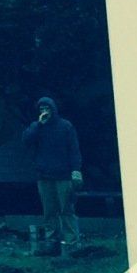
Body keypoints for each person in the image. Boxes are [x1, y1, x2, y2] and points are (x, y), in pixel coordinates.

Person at [22, 95, 82, 256]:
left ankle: (72, 243)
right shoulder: (37, 127)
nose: (44, 111)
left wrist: (76, 170)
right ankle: (52, 242)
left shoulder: (65, 126)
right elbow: (26, 140)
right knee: (49, 211)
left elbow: (74, 149)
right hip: (44, 176)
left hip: (63, 175)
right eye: (41, 109)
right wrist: (38, 125)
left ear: (53, 109)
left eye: (47, 108)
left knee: (66, 209)